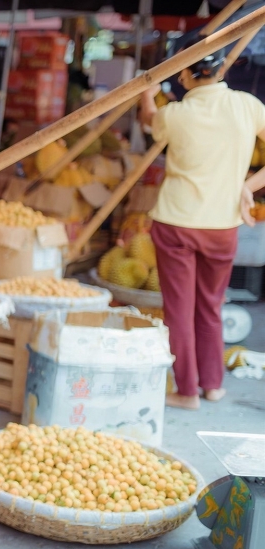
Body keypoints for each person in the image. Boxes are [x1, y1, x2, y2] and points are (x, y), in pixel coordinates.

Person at [138, 42, 263, 411]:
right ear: (221, 71)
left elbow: (149, 121)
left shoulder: (176, 114)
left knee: (179, 310)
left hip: (177, 223)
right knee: (209, 307)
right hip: (222, 227)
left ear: (185, 75)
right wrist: (248, 185)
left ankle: (187, 391)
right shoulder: (247, 106)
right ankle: (212, 386)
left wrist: (147, 95)